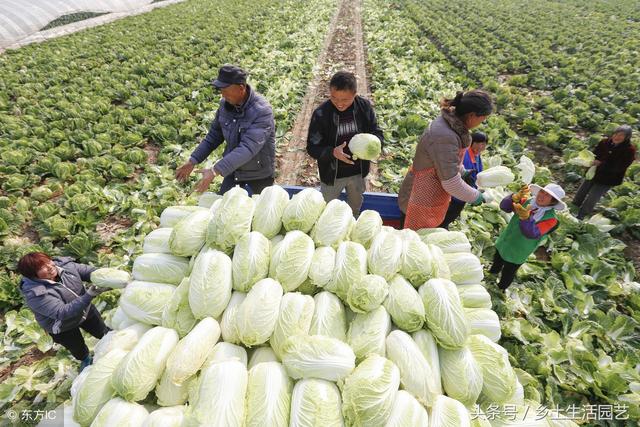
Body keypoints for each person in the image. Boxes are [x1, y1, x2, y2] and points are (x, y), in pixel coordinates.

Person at [398, 90, 493, 229]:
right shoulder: (445, 136)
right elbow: (451, 183)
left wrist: (461, 170)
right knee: (412, 237)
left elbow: (444, 160)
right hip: (421, 195)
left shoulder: (451, 125)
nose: (482, 123)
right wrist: (476, 196)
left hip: (430, 189)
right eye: (482, 119)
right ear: (472, 116)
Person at [175, 65, 276, 195]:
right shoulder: (225, 105)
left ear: (241, 88)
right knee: (225, 208)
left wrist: (214, 171)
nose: (222, 94)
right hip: (233, 171)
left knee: (257, 211)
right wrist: (193, 160)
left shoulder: (262, 111)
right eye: (221, 89)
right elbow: (214, 136)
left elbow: (248, 148)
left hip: (257, 175)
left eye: (226, 89)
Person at [306, 71, 384, 216]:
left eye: (345, 100)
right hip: (332, 174)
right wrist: (332, 152)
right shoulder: (321, 114)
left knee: (354, 208)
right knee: (325, 210)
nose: (340, 104)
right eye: (334, 98)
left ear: (354, 94)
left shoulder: (364, 107)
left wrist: (374, 146)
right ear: (330, 92)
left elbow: (377, 132)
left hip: (357, 173)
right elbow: (312, 147)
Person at [18, 252, 111, 371]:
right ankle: (85, 359)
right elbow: (61, 312)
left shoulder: (66, 267)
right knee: (77, 346)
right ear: (33, 276)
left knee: (102, 332)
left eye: (48, 261)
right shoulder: (35, 294)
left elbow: (89, 272)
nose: (49, 267)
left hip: (85, 311)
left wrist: (109, 277)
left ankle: (113, 345)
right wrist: (89, 295)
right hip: (63, 326)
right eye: (42, 267)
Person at [491, 183, 566, 290]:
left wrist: (526, 218)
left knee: (509, 271)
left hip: (520, 249)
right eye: (542, 192)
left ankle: (501, 288)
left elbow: (532, 233)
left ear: (553, 201)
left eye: (547, 195)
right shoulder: (527, 201)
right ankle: (492, 275)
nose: (541, 196)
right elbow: (505, 207)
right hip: (507, 240)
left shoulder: (551, 219)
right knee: (497, 259)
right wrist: (513, 198)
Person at [572, 125, 636, 219]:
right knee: (581, 192)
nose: (617, 137)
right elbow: (595, 154)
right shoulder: (605, 142)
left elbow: (620, 167)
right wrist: (588, 162)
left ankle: (581, 216)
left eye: (621, 135)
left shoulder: (629, 150)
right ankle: (572, 209)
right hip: (594, 173)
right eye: (616, 134)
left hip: (608, 179)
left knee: (592, 198)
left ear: (627, 137)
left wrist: (601, 164)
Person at [439, 131, 488, 229]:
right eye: (477, 143)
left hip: (466, 192)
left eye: (483, 144)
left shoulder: (477, 155)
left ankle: (443, 226)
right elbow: (457, 173)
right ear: (471, 142)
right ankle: (440, 226)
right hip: (457, 191)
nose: (480, 146)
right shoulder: (465, 155)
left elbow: (478, 172)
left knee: (454, 213)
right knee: (448, 211)